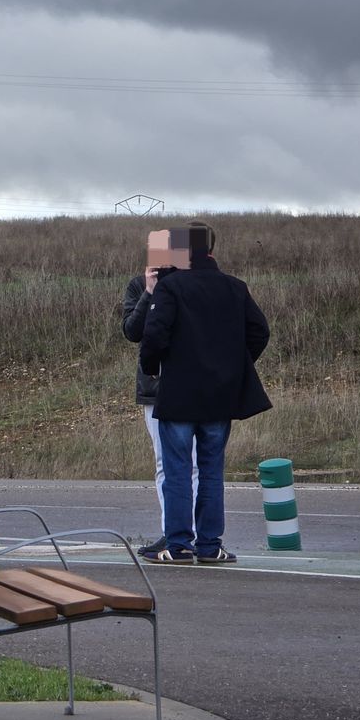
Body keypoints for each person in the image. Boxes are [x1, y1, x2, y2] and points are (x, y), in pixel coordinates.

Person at [139, 222, 271, 565]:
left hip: (180, 394)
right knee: (211, 472)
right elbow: (259, 332)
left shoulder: (171, 287)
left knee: (178, 471)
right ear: (211, 249)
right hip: (219, 395)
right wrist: (236, 366)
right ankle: (210, 545)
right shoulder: (235, 288)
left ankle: (179, 543)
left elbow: (154, 335)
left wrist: (152, 366)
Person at [122, 264, 198, 557]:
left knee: (193, 463)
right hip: (155, 389)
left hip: (189, 384)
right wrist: (150, 292)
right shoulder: (138, 285)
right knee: (164, 462)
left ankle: (191, 532)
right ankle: (171, 532)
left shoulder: (190, 284)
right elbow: (132, 330)